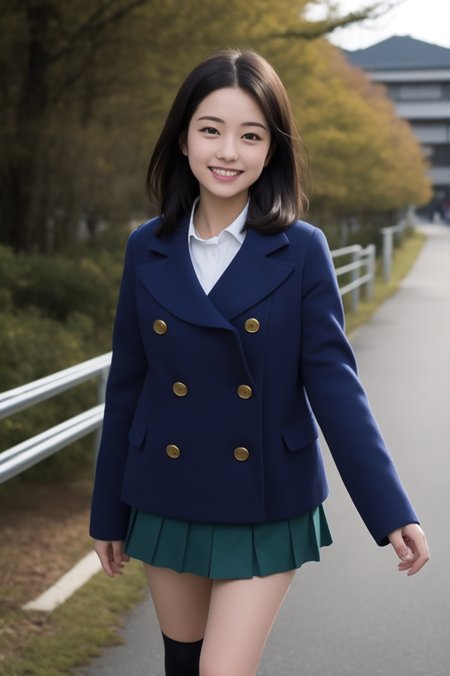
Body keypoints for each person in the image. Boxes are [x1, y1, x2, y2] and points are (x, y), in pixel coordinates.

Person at [90, 49, 429, 676]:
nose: (228, 151)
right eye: (210, 129)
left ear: (271, 151)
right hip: (167, 488)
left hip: (266, 493)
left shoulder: (301, 249)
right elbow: (129, 383)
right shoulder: (148, 247)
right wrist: (107, 511)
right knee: (184, 665)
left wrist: (390, 509)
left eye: (251, 136)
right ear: (184, 138)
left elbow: (334, 385)